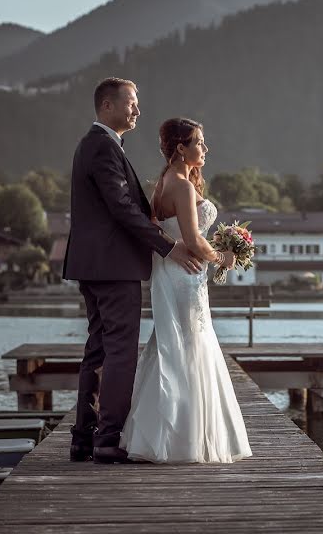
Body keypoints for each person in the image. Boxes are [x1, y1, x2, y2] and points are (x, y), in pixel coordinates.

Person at [63, 78, 205, 464]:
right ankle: (108, 438)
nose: (137, 111)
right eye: (131, 103)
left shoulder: (99, 146)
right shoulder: (102, 146)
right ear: (107, 106)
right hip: (113, 266)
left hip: (95, 265)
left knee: (97, 349)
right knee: (120, 352)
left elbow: (123, 206)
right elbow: (120, 208)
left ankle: (83, 437)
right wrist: (168, 245)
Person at [119, 117, 252, 463]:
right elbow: (193, 240)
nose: (205, 149)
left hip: (171, 272)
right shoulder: (182, 185)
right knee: (190, 344)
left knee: (170, 344)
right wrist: (223, 256)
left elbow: (161, 229)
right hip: (185, 273)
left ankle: (158, 435)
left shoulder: (164, 181)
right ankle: (186, 440)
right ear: (181, 148)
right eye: (199, 143)